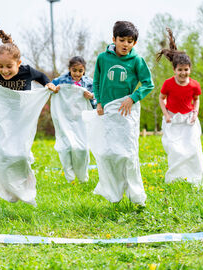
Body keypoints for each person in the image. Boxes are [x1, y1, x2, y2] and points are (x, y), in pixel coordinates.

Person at [90, 21, 154, 205]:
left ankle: (136, 195)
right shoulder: (103, 58)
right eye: (122, 40)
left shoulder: (137, 60)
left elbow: (148, 84)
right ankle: (113, 192)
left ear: (134, 43)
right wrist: (99, 102)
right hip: (107, 110)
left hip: (128, 110)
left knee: (128, 153)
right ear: (114, 40)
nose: (126, 44)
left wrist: (133, 98)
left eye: (130, 41)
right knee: (108, 152)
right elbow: (96, 81)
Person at [157, 28, 203, 185]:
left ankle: (196, 179)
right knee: (175, 150)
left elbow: (196, 99)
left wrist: (195, 113)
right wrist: (166, 114)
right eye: (180, 70)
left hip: (188, 120)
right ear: (174, 70)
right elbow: (161, 98)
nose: (183, 73)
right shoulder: (168, 84)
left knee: (193, 149)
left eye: (186, 70)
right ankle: (175, 179)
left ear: (190, 69)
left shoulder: (194, 85)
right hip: (173, 119)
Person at [0, 20, 56, 92]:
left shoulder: (27, 71)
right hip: (4, 107)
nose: (5, 71)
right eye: (0, 66)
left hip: (24, 107)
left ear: (18, 63)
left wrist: (48, 83)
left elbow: (41, 76)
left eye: (9, 66)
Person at [51, 56, 95, 183]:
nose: (77, 74)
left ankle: (82, 176)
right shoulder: (62, 80)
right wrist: (54, 89)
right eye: (74, 70)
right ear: (69, 69)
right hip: (66, 118)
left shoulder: (88, 82)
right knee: (66, 146)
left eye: (80, 71)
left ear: (84, 70)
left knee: (82, 148)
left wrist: (91, 96)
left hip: (81, 119)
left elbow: (98, 94)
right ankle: (69, 174)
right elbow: (49, 86)